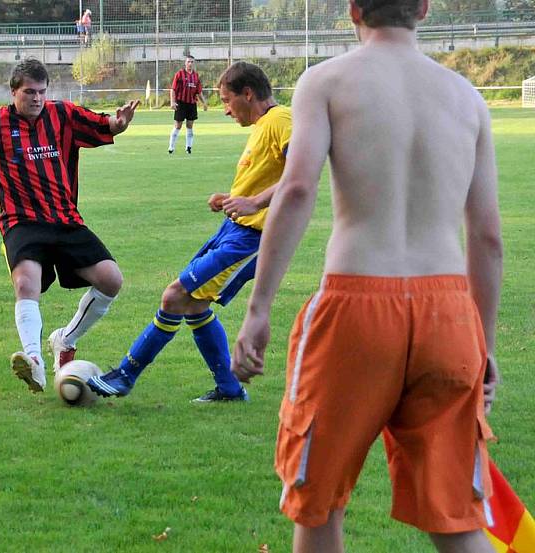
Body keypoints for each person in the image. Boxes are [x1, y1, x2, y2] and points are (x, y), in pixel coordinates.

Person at [231, 1, 502, 551]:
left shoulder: (326, 82)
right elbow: (488, 236)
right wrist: (485, 343)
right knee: (457, 516)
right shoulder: (467, 99)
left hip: (356, 303)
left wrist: (259, 308)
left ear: (352, 8)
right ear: (424, 8)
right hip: (448, 313)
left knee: (318, 502)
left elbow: (299, 188)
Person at [0, 58, 139, 393]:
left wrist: (120, 122)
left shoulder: (63, 115)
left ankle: (64, 339)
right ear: (14, 92)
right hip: (21, 222)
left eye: (42, 91)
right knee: (26, 285)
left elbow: (104, 124)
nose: (37, 98)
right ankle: (34, 362)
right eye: (29, 92)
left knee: (111, 280)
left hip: (65, 219)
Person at [88, 62, 291, 403]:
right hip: (233, 229)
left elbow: (302, 170)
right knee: (194, 305)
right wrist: (232, 199)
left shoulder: (280, 119)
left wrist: (254, 202)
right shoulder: (263, 125)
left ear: (248, 94)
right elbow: (272, 178)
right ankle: (229, 389)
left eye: (227, 101)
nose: (225, 110)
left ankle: (125, 375)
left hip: (254, 239)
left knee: (174, 295)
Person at [168, 55, 208, 155]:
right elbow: (173, 89)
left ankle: (188, 147)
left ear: (193, 64)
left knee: (190, 126)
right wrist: (173, 102)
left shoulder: (196, 76)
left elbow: (199, 91)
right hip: (181, 103)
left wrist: (204, 103)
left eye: (192, 62)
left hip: (191, 104)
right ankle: (171, 147)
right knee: (178, 126)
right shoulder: (179, 74)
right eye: (188, 62)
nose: (190, 63)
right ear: (185, 63)